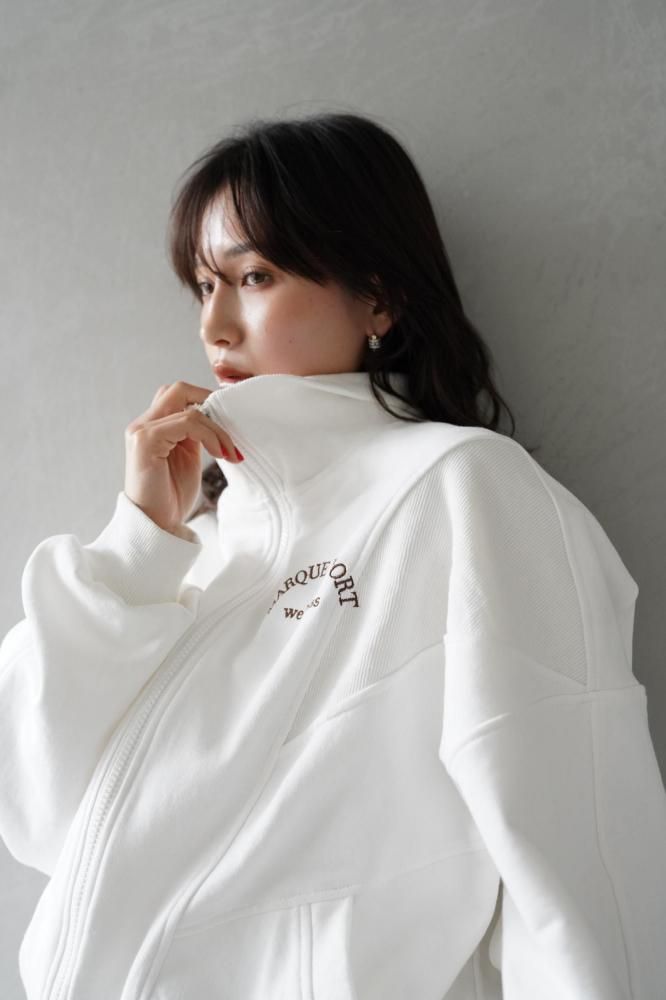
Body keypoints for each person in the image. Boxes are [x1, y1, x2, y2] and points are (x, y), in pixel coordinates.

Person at [1, 112, 665, 1000]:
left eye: (255, 276)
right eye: (203, 285)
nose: (216, 327)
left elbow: (574, 850)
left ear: (379, 298)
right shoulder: (204, 544)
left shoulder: (461, 488)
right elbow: (39, 812)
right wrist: (137, 547)